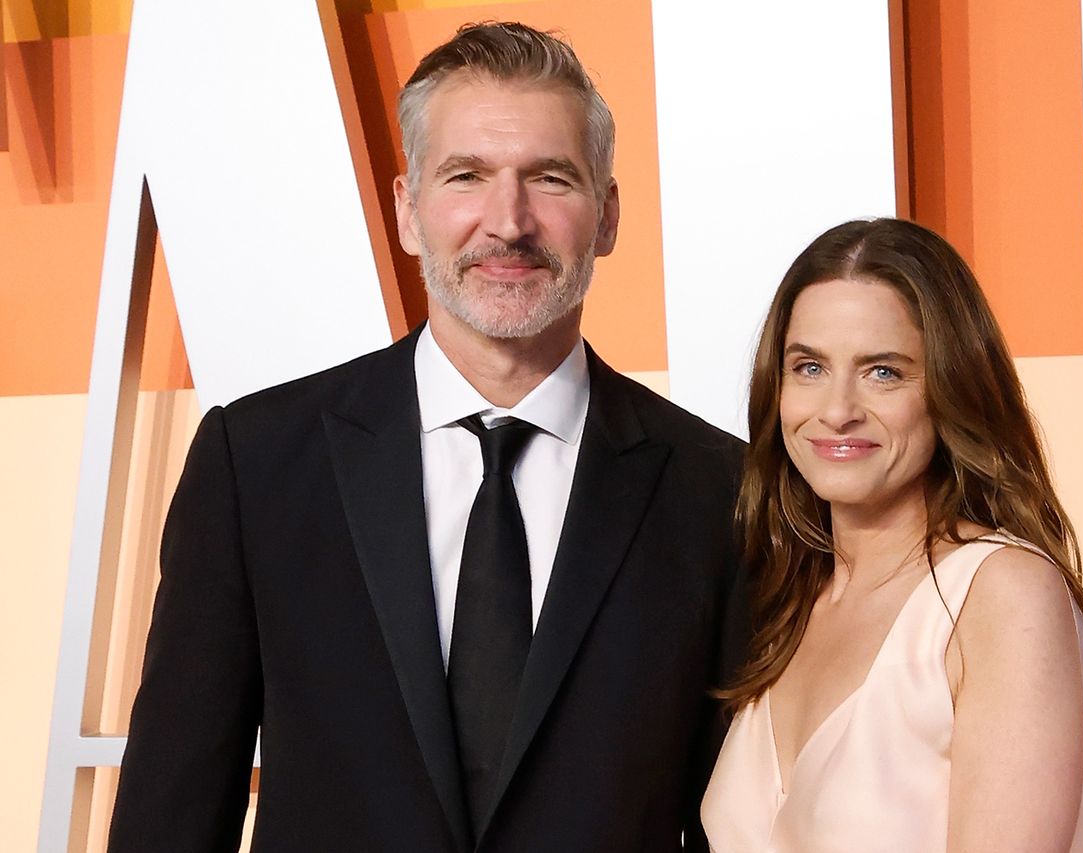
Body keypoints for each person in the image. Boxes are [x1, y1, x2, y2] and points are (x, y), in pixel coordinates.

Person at [108, 23, 745, 853]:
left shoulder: (718, 489)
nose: (508, 222)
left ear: (609, 213)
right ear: (408, 210)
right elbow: (172, 810)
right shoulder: (257, 463)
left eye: (550, 178)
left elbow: (739, 820)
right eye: (466, 176)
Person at [701, 218, 1083, 852]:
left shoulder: (1001, 593)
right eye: (808, 367)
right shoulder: (790, 602)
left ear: (949, 387)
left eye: (882, 372)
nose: (837, 409)